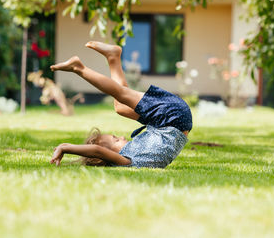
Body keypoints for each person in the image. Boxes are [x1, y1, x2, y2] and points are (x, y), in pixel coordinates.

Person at [49, 41, 192, 168]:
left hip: (175, 119)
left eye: (116, 136)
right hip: (172, 117)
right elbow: (97, 151)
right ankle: (79, 68)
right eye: (116, 140)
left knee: (120, 107)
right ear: (108, 155)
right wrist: (65, 147)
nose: (123, 137)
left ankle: (113, 57)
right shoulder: (126, 160)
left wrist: (65, 147)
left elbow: (98, 151)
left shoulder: (131, 157)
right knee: (121, 93)